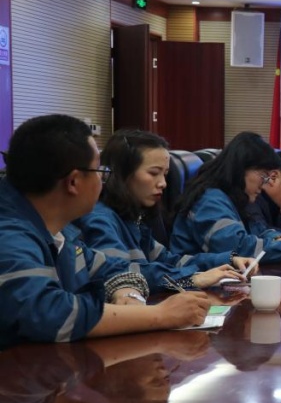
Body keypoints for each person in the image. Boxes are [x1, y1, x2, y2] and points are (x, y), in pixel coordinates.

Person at [0, 115, 209, 348]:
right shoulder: (9, 234)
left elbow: (112, 268)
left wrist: (127, 292)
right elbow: (48, 314)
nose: (103, 181)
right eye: (99, 171)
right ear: (73, 182)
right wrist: (160, 315)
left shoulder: (61, 231)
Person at [76, 130, 258, 293]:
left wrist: (228, 260)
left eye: (165, 174)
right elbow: (119, 275)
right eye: (153, 173)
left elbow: (170, 261)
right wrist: (191, 279)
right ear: (122, 174)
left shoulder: (132, 219)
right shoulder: (100, 219)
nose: (163, 183)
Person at [170, 132, 281, 263]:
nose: (264, 184)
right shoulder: (209, 201)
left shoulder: (235, 197)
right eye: (263, 176)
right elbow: (238, 248)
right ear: (241, 168)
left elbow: (260, 230)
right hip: (191, 279)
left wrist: (279, 239)